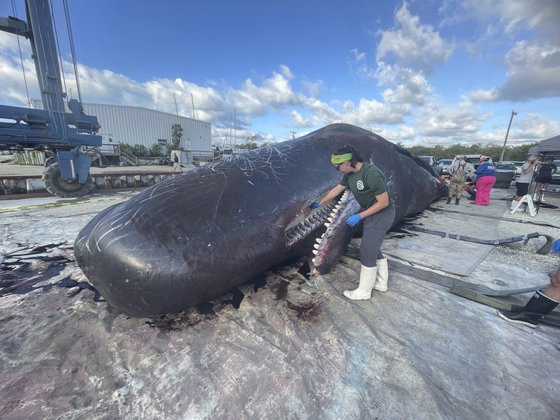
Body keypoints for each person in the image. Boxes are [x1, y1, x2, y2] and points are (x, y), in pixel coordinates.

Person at [310, 145, 396, 300]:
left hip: (382, 214)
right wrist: (320, 202)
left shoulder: (371, 174)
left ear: (349, 161)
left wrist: (360, 216)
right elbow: (336, 190)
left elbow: (384, 202)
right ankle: (381, 283)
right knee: (373, 247)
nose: (337, 169)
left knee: (366, 251)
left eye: (339, 166)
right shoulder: (349, 175)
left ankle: (364, 291)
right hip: (371, 213)